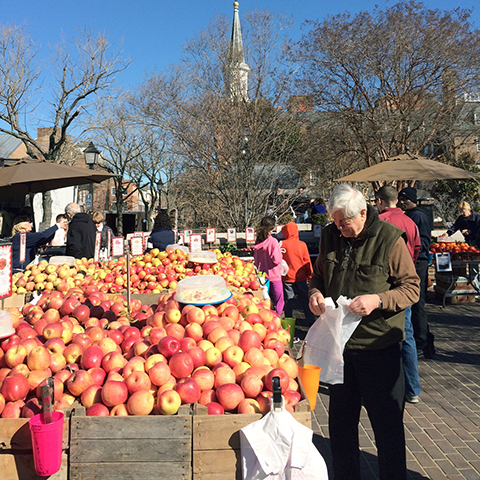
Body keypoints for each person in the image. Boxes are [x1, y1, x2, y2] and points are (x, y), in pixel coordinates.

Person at [308, 184, 420, 480]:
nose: (339, 227)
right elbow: (318, 274)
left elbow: (411, 288)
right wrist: (315, 293)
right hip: (339, 349)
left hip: (378, 348)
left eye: (344, 222)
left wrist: (379, 300)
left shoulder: (388, 239)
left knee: (387, 429)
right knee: (340, 428)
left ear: (362, 212)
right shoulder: (331, 236)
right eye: (334, 221)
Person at [376, 185, 422, 404]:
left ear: (379, 201)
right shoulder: (411, 222)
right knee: (407, 337)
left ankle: (386, 389)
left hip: (384, 287)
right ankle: (413, 388)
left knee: (383, 339)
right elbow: (418, 249)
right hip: (406, 285)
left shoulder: (379, 223)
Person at [398, 187, 435, 359]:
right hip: (411, 261)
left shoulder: (419, 216)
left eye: (405, 198)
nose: (402, 201)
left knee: (417, 301)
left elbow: (425, 242)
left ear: (412, 199)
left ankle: (422, 342)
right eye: (400, 198)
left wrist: (414, 253)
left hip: (418, 263)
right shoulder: (407, 216)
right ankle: (422, 339)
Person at [280, 222, 315, 325]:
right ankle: (311, 322)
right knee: (305, 301)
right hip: (301, 277)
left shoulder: (282, 244)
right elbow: (307, 261)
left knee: (288, 301)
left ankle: (289, 324)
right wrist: (310, 275)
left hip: (287, 278)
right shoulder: (302, 244)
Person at [253, 216, 284, 315]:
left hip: (262, 275)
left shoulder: (258, 241)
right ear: (272, 228)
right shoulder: (273, 242)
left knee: (264, 300)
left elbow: (256, 258)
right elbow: (277, 260)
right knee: (279, 300)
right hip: (274, 274)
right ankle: (278, 317)